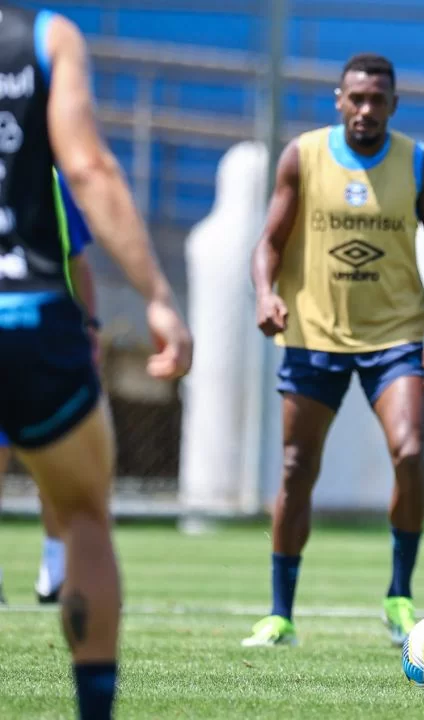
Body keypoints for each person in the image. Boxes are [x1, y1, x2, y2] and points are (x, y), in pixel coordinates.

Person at [0, 6, 193, 718]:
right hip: (28, 316)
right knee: (85, 515)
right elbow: (86, 164)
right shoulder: (46, 38)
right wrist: (158, 296)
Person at [244, 52, 424, 648]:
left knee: (411, 451)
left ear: (394, 104)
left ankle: (398, 597)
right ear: (339, 100)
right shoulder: (303, 157)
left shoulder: (419, 165)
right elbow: (268, 241)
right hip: (313, 336)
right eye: (356, 98)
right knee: (295, 467)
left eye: (378, 100)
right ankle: (280, 613)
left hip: (395, 337)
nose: (366, 109)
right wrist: (265, 293)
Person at [0, 169, 100, 606]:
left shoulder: (49, 179)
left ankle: (55, 570)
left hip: (44, 331)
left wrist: (91, 325)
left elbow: (77, 259)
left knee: (56, 464)